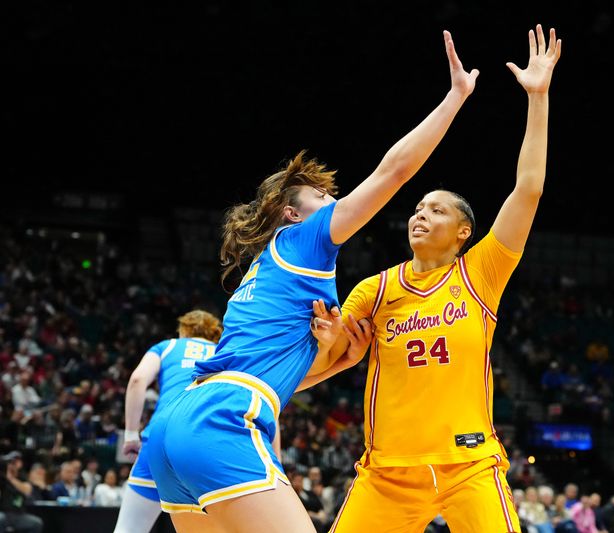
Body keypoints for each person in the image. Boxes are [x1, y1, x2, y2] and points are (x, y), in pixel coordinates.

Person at [146, 28, 481, 533]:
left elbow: (276, 376)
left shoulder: (261, 277)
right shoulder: (304, 239)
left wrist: (339, 361)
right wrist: (455, 99)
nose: (333, 205)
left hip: (179, 423)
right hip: (224, 418)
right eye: (323, 200)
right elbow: (393, 172)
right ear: (292, 214)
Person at [302, 23, 562, 533]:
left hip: (468, 466)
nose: (420, 215)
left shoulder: (482, 272)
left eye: (437, 210)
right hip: (387, 473)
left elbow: (528, 188)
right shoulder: (374, 290)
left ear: (464, 231)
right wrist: (328, 343)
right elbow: (322, 365)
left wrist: (538, 98)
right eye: (418, 207)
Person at [114, 310, 222, 533]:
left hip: (162, 437)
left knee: (129, 529)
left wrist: (131, 435)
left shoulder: (168, 346)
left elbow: (137, 380)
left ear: (183, 330)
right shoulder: (225, 352)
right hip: (209, 443)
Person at [0, 451, 44, 533]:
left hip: (18, 514)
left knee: (36, 523)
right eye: (9, 462)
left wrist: (11, 478)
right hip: (3, 512)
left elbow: (27, 490)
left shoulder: (22, 477)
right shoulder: (2, 477)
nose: (11, 465)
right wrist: (6, 475)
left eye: (14, 462)